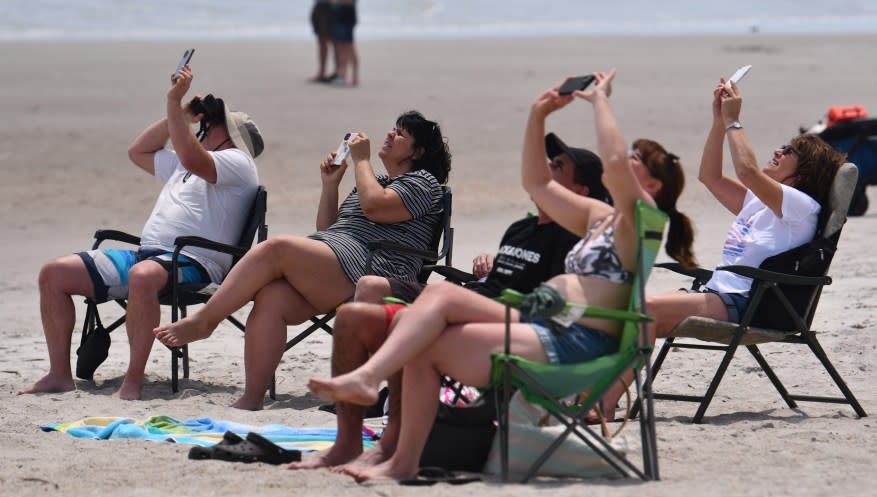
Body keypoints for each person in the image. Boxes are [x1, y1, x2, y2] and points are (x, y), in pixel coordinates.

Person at [307, 69, 686, 482]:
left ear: (651, 185)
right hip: (539, 322)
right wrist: (536, 115)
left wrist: (600, 101)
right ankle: (400, 458)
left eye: (636, 163)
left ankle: (368, 379)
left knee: (440, 304)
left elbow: (611, 163)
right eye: (629, 157)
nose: (625, 163)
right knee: (429, 328)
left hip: (576, 341)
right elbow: (536, 182)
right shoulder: (601, 218)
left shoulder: (643, 223)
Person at [292, 133, 606, 470]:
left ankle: (392, 441)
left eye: (557, 167)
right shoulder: (521, 229)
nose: (545, 171)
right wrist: (484, 274)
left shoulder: (578, 239)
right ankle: (346, 444)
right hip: (472, 299)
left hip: (506, 326)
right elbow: (499, 284)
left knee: (406, 320)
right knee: (353, 317)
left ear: (581, 193)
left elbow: (558, 304)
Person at [154, 111, 452, 410]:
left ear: (419, 151)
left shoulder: (423, 183)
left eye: (401, 134)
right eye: (393, 129)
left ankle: (206, 320)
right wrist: (330, 185)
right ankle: (252, 399)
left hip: (377, 270)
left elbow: (375, 208)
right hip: (341, 263)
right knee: (271, 297)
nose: (390, 135)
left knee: (277, 248)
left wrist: (362, 161)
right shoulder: (376, 181)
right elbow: (330, 231)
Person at [596, 75, 848, 419]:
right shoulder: (760, 202)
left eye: (788, 151)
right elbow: (709, 176)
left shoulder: (801, 207)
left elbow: (745, 170)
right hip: (719, 294)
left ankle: (603, 404)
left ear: (803, 174)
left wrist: (734, 119)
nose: (777, 150)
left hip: (744, 303)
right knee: (627, 307)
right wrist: (718, 121)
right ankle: (593, 394)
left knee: (644, 310)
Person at [19, 64, 263, 400]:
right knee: (54, 273)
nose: (206, 125)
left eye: (212, 122)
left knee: (143, 276)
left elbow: (193, 158)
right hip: (148, 255)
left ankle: (132, 381)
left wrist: (172, 101)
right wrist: (179, 114)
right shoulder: (188, 161)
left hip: (196, 261)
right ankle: (59, 375)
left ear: (231, 135)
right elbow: (139, 151)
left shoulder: (239, 163)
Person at [332, 0, 359, 86]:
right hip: (340, 14)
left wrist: (337, 2)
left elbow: (351, 2)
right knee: (340, 47)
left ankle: (354, 78)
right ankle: (342, 75)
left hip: (348, 15)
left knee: (349, 47)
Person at [308, 0, 336, 83]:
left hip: (330, 6)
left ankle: (339, 73)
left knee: (336, 42)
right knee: (322, 41)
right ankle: (322, 73)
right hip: (320, 5)